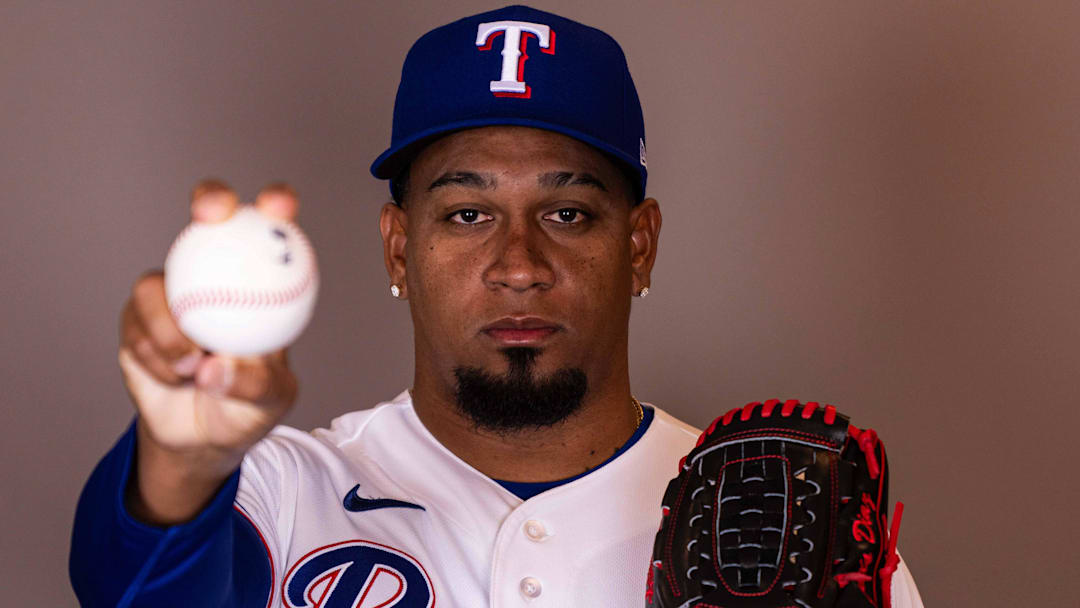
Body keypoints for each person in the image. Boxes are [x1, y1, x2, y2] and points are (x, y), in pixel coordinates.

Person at [70, 5, 923, 607]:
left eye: (569, 213)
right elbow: (132, 591)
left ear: (640, 246)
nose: (519, 265)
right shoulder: (279, 493)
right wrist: (183, 462)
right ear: (400, 246)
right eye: (468, 213)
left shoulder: (781, 520)